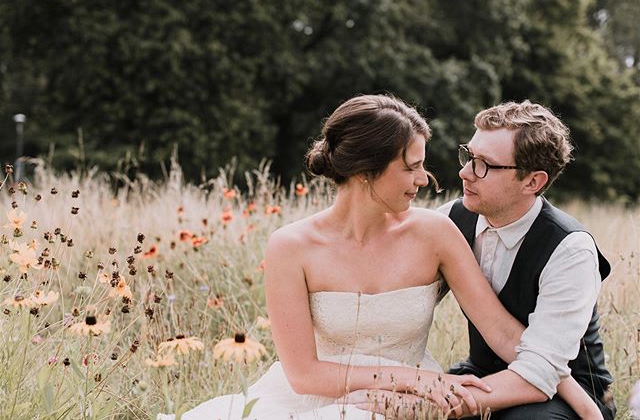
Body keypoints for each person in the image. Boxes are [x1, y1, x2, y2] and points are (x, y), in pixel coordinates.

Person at [157, 95, 589, 420]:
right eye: (411, 167)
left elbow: (505, 336)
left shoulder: (437, 232)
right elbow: (304, 374)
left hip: (411, 402)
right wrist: (411, 380)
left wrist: (586, 406)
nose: (428, 178)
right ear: (366, 171)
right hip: (320, 394)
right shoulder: (289, 246)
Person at [435, 100, 615, 419]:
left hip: (566, 394)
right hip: (483, 373)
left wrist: (452, 403)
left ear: (533, 182)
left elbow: (540, 375)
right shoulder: (450, 219)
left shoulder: (569, 249)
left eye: (484, 165)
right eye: (468, 156)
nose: (465, 172)